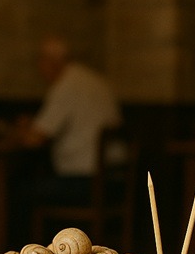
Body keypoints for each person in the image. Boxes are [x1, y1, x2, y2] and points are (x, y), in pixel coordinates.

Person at [11, 35, 122, 243]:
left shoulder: (67, 84)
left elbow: (35, 139)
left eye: (41, 61)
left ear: (52, 62)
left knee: (19, 194)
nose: (40, 69)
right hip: (116, 179)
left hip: (85, 183)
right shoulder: (94, 80)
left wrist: (18, 130)